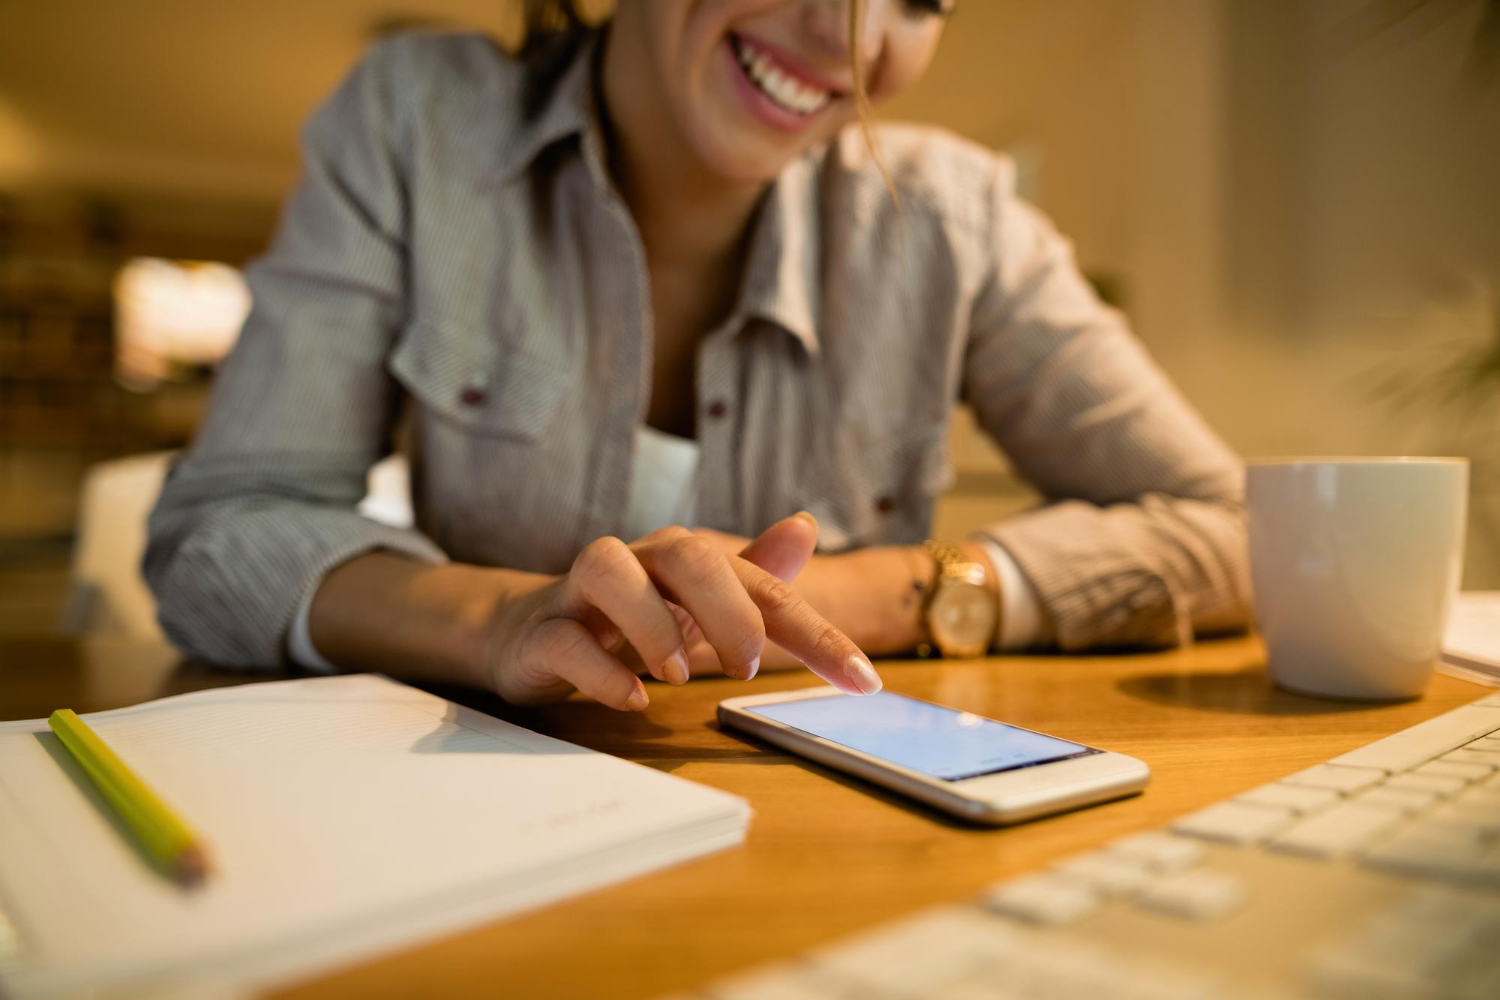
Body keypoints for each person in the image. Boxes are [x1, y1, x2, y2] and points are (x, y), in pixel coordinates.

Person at [145, 0, 1250, 713]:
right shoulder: (415, 127)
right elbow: (220, 534)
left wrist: (883, 596)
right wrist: (499, 617)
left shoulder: (955, 220)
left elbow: (1239, 530)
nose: (852, 35)